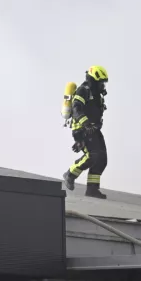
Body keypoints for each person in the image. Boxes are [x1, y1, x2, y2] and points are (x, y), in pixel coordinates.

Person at [62, 65, 109, 199]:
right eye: (101, 82)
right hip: (82, 129)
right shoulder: (83, 91)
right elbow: (76, 108)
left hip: (94, 130)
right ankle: (70, 174)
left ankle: (92, 189)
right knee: (92, 156)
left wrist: (95, 125)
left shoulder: (97, 96)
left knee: (101, 159)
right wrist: (85, 124)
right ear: (94, 80)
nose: (103, 85)